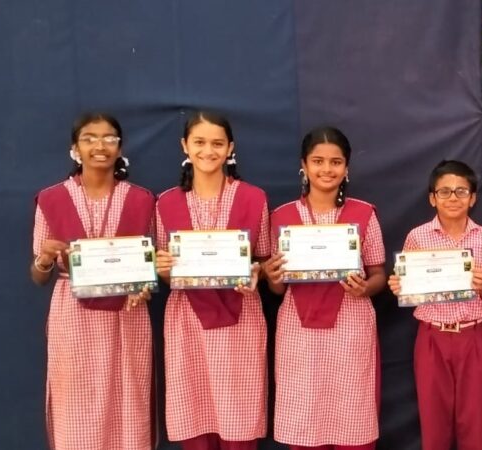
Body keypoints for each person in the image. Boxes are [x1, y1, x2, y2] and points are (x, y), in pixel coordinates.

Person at [31, 112, 154, 450]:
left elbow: (152, 264)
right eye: (89, 138)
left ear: (120, 148)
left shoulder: (142, 199)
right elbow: (39, 276)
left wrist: (145, 286)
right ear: (75, 148)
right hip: (73, 315)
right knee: (76, 403)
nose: (100, 145)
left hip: (126, 315)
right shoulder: (51, 199)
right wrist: (44, 259)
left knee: (127, 400)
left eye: (109, 138)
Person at [263, 126, 386, 450]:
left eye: (336, 162)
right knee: (304, 411)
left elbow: (378, 274)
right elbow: (278, 289)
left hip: (351, 324)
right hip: (298, 330)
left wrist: (365, 288)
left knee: (351, 410)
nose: (327, 169)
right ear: (303, 165)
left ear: (346, 168)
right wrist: (272, 276)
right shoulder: (281, 216)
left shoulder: (364, 213)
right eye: (318, 161)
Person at [155, 111, 269, 450]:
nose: (208, 151)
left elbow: (264, 258)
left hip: (240, 317)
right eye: (200, 142)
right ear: (185, 146)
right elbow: (164, 268)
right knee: (193, 408)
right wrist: (161, 267)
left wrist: (258, 272)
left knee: (239, 412)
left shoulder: (254, 198)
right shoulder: (165, 202)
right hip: (187, 319)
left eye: (217, 143)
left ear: (230, 148)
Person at [388, 160, 482, 450]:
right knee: (433, 422)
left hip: (473, 335)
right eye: (445, 191)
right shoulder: (417, 237)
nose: (453, 198)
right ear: (432, 198)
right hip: (432, 336)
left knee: (473, 421)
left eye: (461, 191)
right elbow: (408, 288)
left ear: (472, 198)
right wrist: (400, 286)